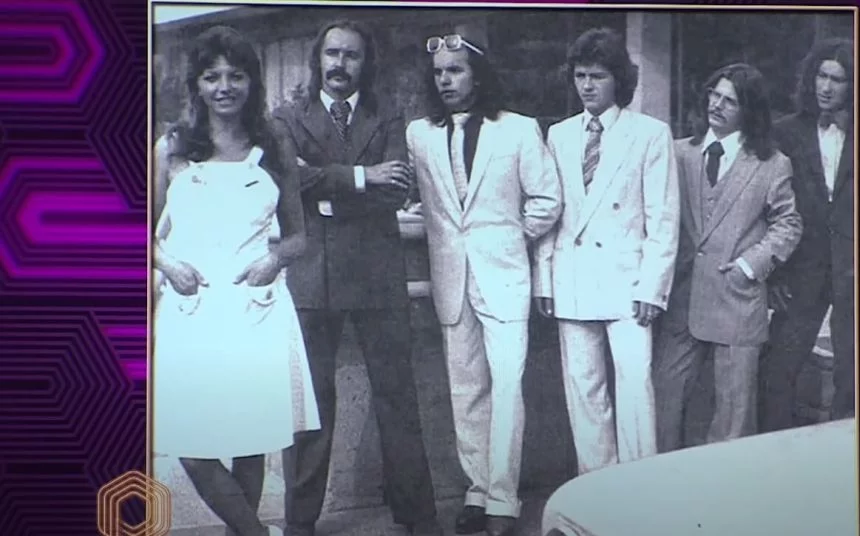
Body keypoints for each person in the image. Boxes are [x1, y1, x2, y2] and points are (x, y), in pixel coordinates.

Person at [270, 20, 442, 536]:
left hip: (377, 276)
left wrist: (324, 192)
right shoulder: (286, 117)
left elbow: (397, 190)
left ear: (366, 64)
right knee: (311, 405)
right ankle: (300, 522)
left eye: (352, 56)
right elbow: (288, 180)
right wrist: (362, 177)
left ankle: (418, 517)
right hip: (313, 278)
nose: (340, 65)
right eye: (333, 54)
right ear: (317, 60)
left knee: (398, 399)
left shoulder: (387, 115)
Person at [151, 25, 318, 536]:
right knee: (192, 448)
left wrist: (274, 261)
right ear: (197, 84)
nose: (224, 87)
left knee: (251, 440)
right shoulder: (171, 148)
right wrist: (168, 265)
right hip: (192, 312)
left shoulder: (274, 144)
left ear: (252, 81)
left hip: (254, 309)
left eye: (236, 75)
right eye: (212, 76)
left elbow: (299, 238)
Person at [405, 31, 562, 536]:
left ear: (478, 75)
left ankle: (503, 497)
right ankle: (476, 490)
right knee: (465, 388)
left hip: (504, 277)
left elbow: (547, 200)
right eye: (438, 73)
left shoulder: (518, 129)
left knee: (508, 385)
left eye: (455, 70)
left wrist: (512, 236)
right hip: (451, 279)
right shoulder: (419, 134)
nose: (445, 80)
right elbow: (423, 202)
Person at [533, 27, 680, 475]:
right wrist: (545, 279)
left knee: (635, 389)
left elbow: (663, 217)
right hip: (573, 279)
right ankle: (596, 486)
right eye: (580, 76)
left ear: (619, 79)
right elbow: (552, 212)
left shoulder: (649, 134)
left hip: (629, 284)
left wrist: (653, 288)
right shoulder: (559, 135)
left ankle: (640, 485)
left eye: (597, 76)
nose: (587, 85)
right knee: (584, 391)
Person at [653, 63, 803, 451]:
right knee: (665, 400)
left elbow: (789, 224)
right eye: (713, 95)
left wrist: (750, 266)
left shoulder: (772, 164)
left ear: (749, 111)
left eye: (729, 101)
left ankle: (725, 485)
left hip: (737, 300)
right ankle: (663, 478)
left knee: (734, 417)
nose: (716, 105)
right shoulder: (677, 153)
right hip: (683, 298)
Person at [759, 38, 856, 431]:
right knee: (779, 369)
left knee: (851, 375)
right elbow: (766, 210)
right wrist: (775, 274)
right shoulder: (786, 132)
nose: (826, 87)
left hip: (853, 271)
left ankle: (847, 455)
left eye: (838, 79)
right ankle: (771, 454)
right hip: (800, 270)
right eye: (821, 75)